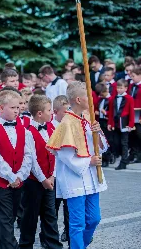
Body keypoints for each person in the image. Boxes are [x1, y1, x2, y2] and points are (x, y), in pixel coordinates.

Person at [47, 81, 108, 249]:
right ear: (79, 99)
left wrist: (98, 132)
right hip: (75, 179)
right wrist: (89, 161)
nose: (92, 99)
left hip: (92, 178)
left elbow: (101, 147)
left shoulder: (89, 118)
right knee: (77, 223)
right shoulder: (66, 123)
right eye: (88, 96)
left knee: (94, 218)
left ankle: (82, 244)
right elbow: (65, 155)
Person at [0, 90, 33, 249]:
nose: (17, 111)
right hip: (0, 181)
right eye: (12, 108)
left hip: (18, 179)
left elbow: (28, 153)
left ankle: (2, 245)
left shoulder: (23, 127)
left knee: (11, 216)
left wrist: (20, 175)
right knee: (4, 218)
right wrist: (10, 176)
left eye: (18, 107)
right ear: (1, 108)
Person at [19, 95, 63, 249]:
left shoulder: (52, 127)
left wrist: (52, 175)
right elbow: (31, 160)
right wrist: (43, 178)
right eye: (49, 110)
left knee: (50, 214)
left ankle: (53, 244)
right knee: (30, 216)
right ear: (39, 113)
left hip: (50, 179)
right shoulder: (28, 132)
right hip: (34, 181)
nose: (52, 113)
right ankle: (25, 244)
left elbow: (57, 153)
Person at [51, 95, 70, 244]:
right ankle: (51, 233)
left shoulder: (71, 125)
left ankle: (68, 231)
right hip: (54, 173)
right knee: (53, 207)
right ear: (55, 111)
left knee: (68, 206)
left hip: (68, 172)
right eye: (65, 111)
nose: (68, 114)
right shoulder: (50, 126)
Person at [109, 79, 135, 170]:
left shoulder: (129, 98)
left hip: (124, 123)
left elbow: (131, 112)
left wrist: (131, 124)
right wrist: (110, 123)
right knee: (116, 142)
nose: (119, 90)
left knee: (124, 143)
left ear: (126, 88)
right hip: (116, 123)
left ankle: (123, 162)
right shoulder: (113, 98)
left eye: (121, 88)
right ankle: (121, 157)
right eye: (118, 88)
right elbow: (111, 112)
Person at [94, 83, 114, 167]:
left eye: (102, 93)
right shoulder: (100, 99)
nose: (101, 95)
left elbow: (112, 112)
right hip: (100, 120)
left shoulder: (110, 99)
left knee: (107, 140)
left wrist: (105, 113)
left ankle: (108, 157)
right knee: (101, 139)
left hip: (107, 121)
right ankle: (104, 157)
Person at [128, 67, 141, 164]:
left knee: (139, 135)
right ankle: (133, 154)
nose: (131, 78)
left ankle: (139, 155)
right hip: (132, 114)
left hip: (139, 115)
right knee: (132, 135)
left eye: (133, 76)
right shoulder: (131, 86)